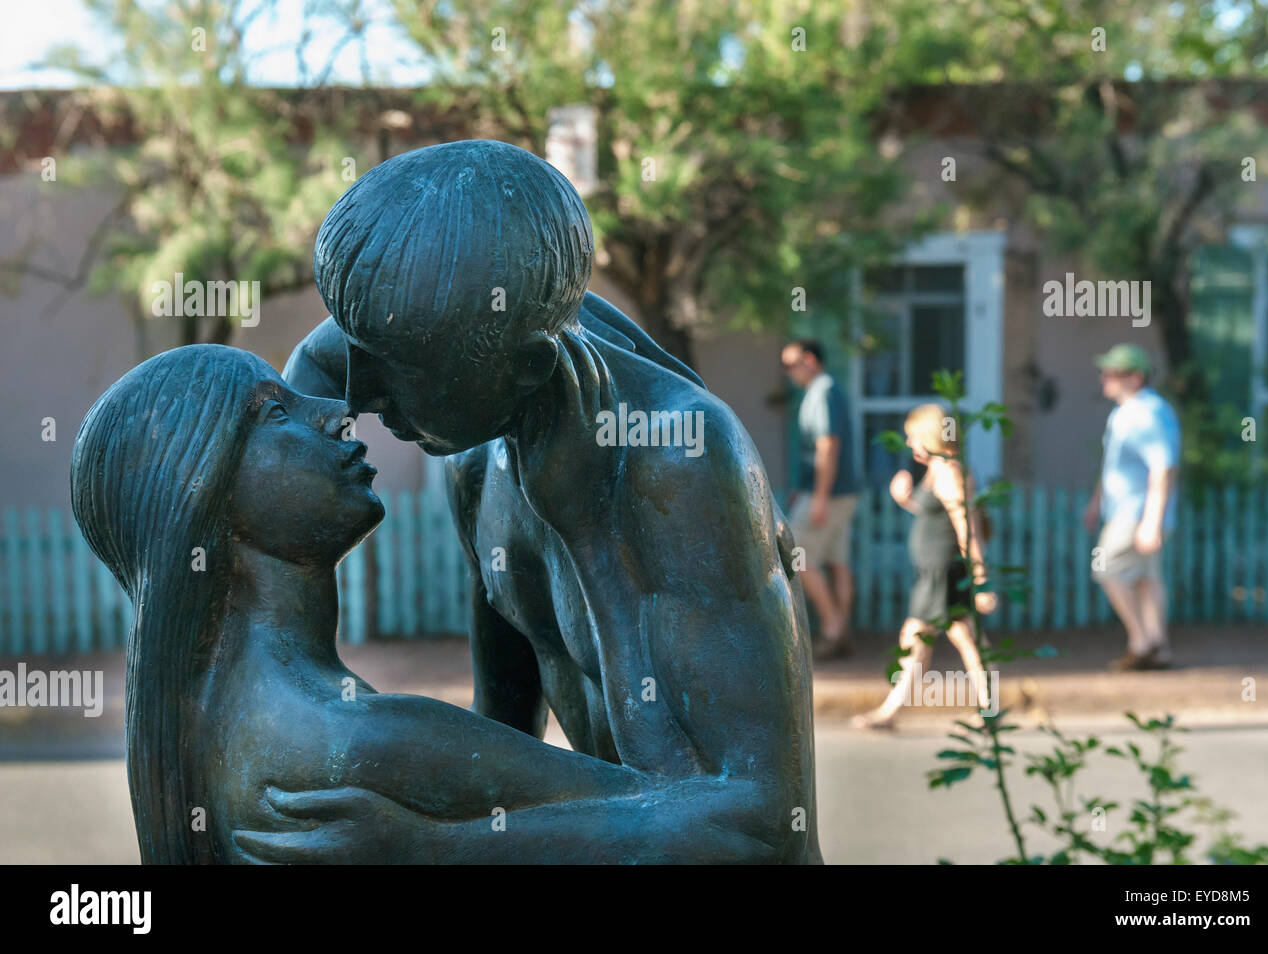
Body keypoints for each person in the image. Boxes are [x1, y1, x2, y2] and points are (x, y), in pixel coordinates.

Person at [257, 139, 822, 863]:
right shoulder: (474, 448)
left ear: (529, 367)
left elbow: (753, 825)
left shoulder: (679, 463)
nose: (358, 396)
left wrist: (437, 851)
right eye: (355, 346)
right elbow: (504, 737)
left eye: (394, 369)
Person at [851, 404, 997, 730]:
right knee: (964, 636)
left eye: (913, 436)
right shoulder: (939, 469)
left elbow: (965, 525)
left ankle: (889, 712)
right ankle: (990, 708)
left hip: (942, 574)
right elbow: (937, 517)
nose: (908, 443)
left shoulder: (948, 471)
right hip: (938, 572)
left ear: (931, 436)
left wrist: (981, 579)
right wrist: (906, 501)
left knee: (917, 638)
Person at [1084, 343, 1180, 671]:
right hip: (1129, 510)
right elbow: (1114, 465)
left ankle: (1141, 642)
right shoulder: (1125, 412)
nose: (1104, 377)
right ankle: (1159, 648)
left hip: (1136, 514)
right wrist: (1097, 501)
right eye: (1105, 371)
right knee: (1145, 579)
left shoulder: (1147, 412)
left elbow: (1163, 466)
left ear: (1136, 378)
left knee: (1106, 569)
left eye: (1113, 373)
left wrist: (1151, 521)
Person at [781, 339, 862, 660]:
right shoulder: (825, 391)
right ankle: (843, 632)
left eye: (790, 365)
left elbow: (828, 445)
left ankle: (832, 627)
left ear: (810, 360)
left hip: (828, 494)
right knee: (838, 562)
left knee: (796, 554)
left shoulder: (823, 392)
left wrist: (818, 496)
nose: (788, 373)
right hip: (838, 492)